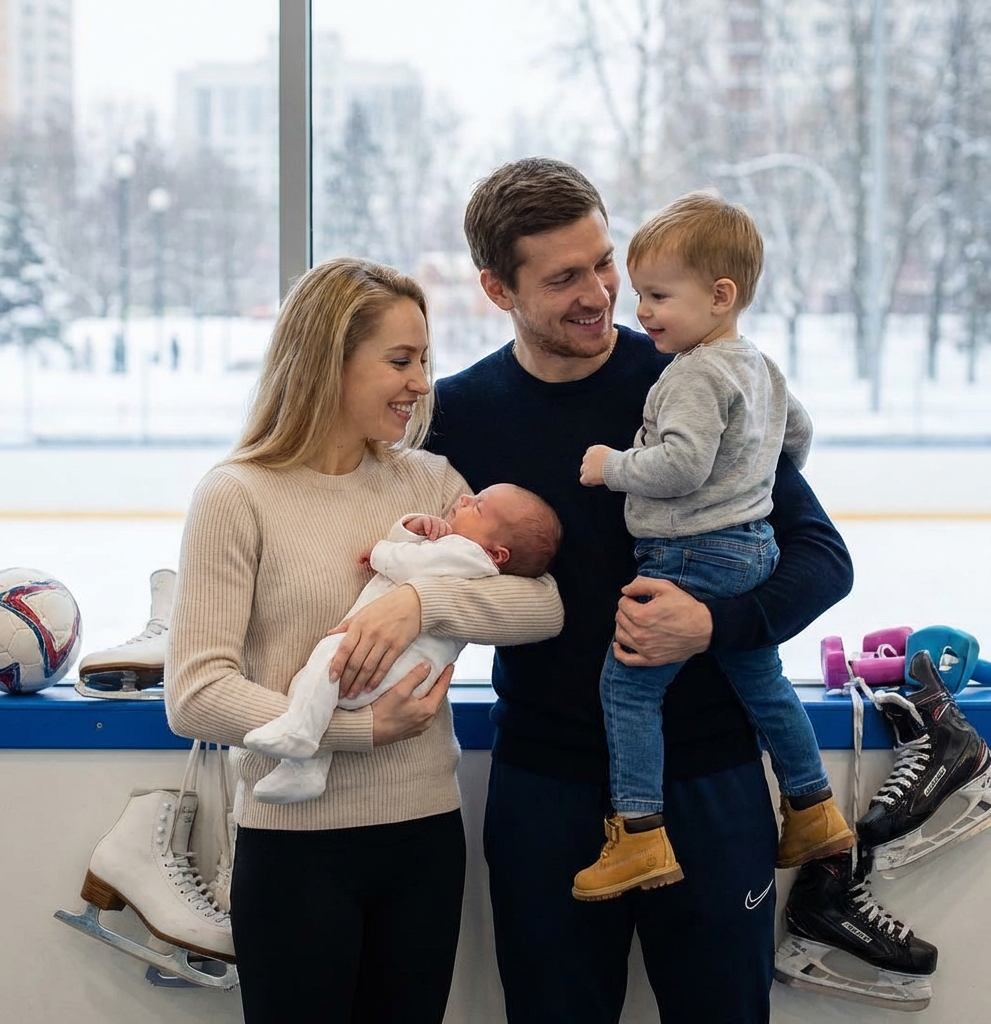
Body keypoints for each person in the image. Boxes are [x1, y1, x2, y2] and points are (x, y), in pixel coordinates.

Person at [426, 157, 853, 1024]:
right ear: (497, 289)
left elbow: (821, 557)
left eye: (604, 263)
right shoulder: (458, 416)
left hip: (710, 776)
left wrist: (714, 622)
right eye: (564, 278)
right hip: (546, 786)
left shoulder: (690, 374)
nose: (600, 294)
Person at [164, 257, 563, 1024]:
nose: (421, 384)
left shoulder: (429, 483)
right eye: (400, 361)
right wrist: (356, 729)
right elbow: (196, 693)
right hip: (296, 849)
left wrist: (419, 602)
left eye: (426, 361)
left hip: (423, 835)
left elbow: (541, 607)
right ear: (327, 361)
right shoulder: (236, 494)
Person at [572, 191, 854, 901]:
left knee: (628, 689)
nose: (642, 312)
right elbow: (797, 438)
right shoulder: (757, 365)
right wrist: (751, 478)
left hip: (689, 556)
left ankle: (638, 834)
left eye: (658, 295)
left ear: (721, 296)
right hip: (749, 549)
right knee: (763, 682)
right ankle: (813, 807)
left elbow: (680, 465)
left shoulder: (693, 373)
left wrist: (612, 466)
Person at [243, 484, 562, 803]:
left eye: (477, 506)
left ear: (496, 553)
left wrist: (381, 552)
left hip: (392, 665)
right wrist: (412, 527)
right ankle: (308, 767)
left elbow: (412, 564)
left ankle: (301, 733)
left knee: (329, 659)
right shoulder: (461, 553)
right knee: (312, 681)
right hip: (398, 673)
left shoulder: (470, 555)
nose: (463, 499)